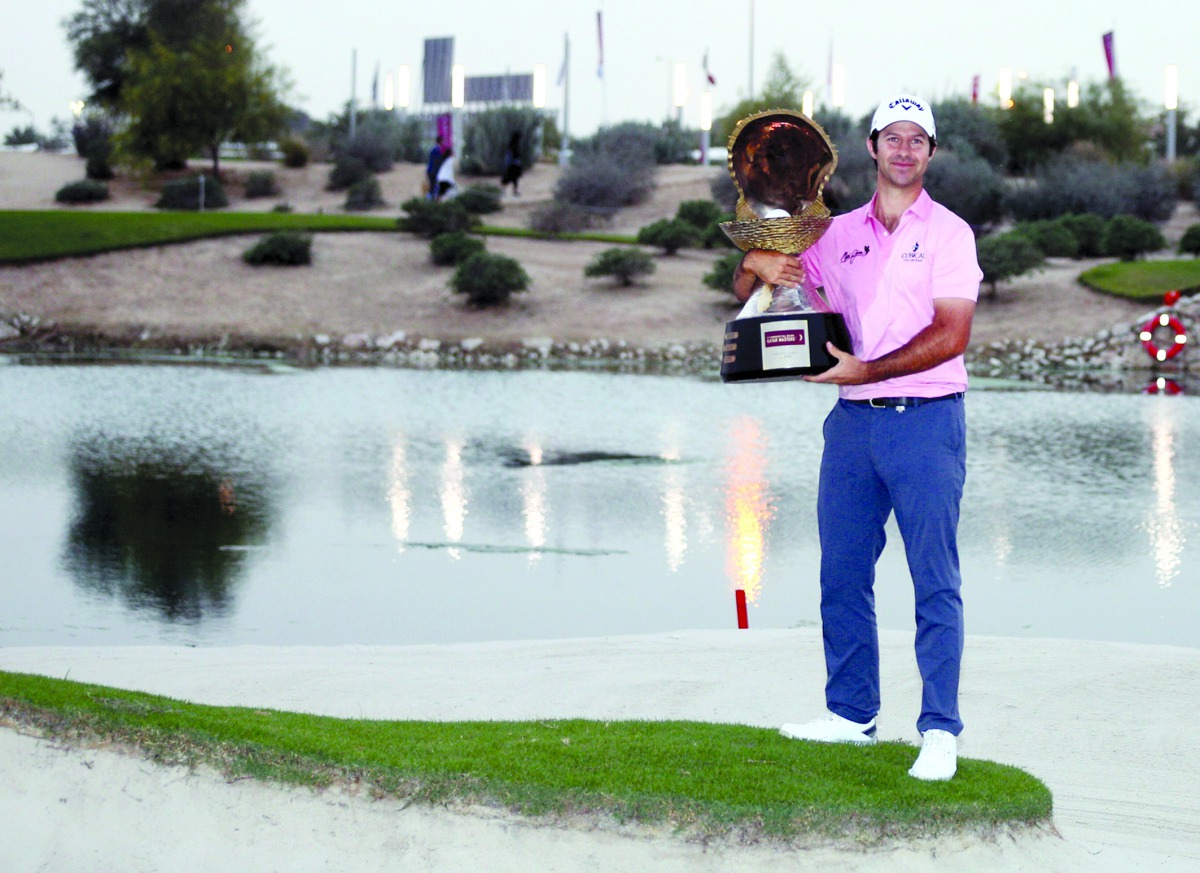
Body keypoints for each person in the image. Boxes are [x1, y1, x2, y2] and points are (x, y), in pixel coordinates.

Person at [732, 95, 982, 781]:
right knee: (842, 574)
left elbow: (951, 334)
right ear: (870, 148)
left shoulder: (952, 234)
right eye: (891, 137)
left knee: (934, 582)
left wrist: (866, 368)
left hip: (926, 422)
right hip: (850, 426)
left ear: (930, 152)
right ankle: (851, 715)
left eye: (917, 139)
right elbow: (765, 294)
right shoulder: (835, 232)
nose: (904, 149)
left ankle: (939, 730)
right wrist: (758, 257)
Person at [501, 131, 523, 196]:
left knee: (513, 178)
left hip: (514, 164)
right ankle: (506, 191)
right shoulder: (514, 146)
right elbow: (514, 155)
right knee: (510, 178)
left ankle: (513, 191)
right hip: (513, 164)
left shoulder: (512, 145)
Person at [425, 135, 445, 199]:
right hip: (433, 171)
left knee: (432, 187)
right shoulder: (437, 150)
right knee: (433, 187)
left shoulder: (434, 149)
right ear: (440, 141)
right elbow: (438, 160)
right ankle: (430, 201)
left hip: (431, 171)